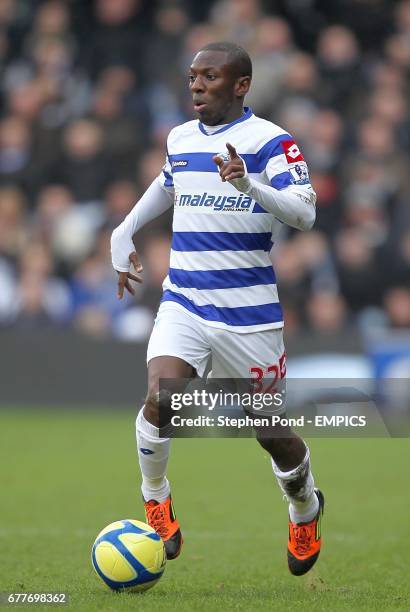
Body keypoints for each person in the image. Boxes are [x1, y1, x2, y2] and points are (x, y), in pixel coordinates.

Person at [110, 42, 323, 576]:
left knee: (270, 434)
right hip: (185, 298)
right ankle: (155, 498)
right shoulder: (180, 138)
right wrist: (125, 228)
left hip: (249, 314)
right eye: (192, 78)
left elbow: (305, 213)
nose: (197, 87)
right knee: (161, 396)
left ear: (241, 84)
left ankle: (305, 507)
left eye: (209, 77)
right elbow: (168, 183)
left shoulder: (271, 141)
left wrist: (249, 184)